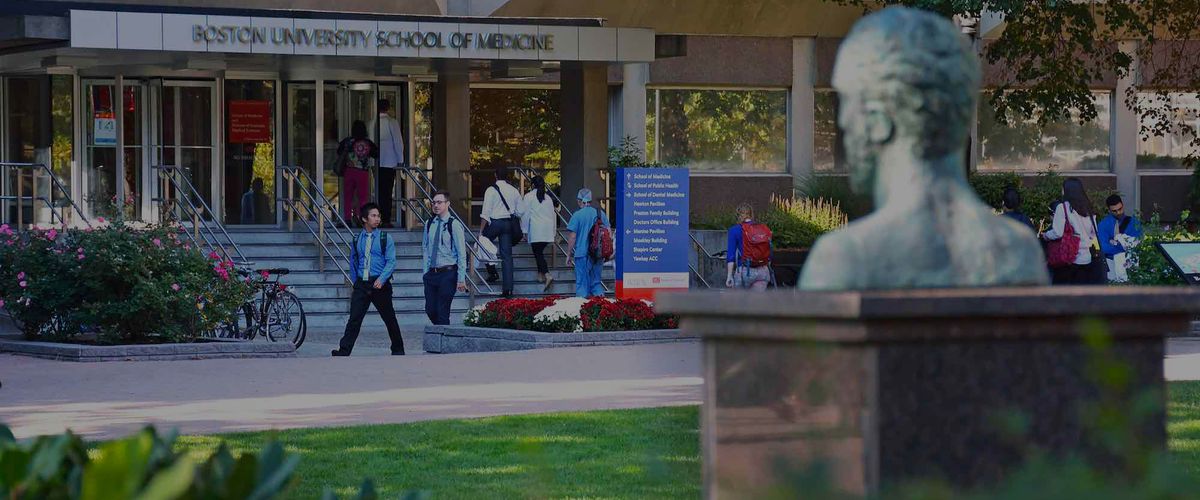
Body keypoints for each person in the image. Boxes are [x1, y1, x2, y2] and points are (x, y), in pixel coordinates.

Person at [797, 7, 1048, 290]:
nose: (842, 124)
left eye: (846, 105)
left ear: (880, 121)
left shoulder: (844, 260)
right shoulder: (1019, 252)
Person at [333, 202, 405, 356]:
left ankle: (398, 349)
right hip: (362, 283)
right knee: (354, 318)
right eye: (373, 216)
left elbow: (391, 261)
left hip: (380, 284)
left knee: (389, 318)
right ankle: (344, 350)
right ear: (364, 219)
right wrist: (355, 280)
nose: (377, 219)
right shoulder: (356, 239)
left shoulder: (386, 238)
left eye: (378, 216)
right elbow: (353, 260)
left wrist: (382, 278)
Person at [1041, 178, 1105, 285]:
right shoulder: (1088, 207)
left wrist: (1045, 235)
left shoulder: (1063, 208)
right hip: (1087, 258)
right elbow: (1093, 233)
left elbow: (1057, 232)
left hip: (1069, 259)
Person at [421, 190, 467, 325]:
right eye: (434, 202)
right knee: (430, 310)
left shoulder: (454, 224)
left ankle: (443, 341)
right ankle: (442, 334)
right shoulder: (429, 223)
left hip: (448, 273)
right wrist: (425, 271)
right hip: (431, 273)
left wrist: (461, 278)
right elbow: (425, 248)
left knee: (442, 311)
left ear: (447, 204)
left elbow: (461, 253)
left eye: (439, 202)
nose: (436, 205)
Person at [479, 165, 523, 298]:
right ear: (507, 176)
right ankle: (508, 289)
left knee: (482, 243)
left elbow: (486, 212)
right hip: (508, 224)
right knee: (507, 256)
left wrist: (481, 231)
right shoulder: (514, 190)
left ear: (495, 175)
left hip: (495, 223)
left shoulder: (491, 190)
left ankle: (492, 271)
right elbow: (521, 211)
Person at [566, 188, 610, 298]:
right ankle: (602, 310)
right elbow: (608, 232)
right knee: (596, 284)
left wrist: (569, 254)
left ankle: (583, 312)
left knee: (582, 285)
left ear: (580, 201)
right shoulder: (600, 214)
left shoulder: (577, 215)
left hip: (582, 255)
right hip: (598, 255)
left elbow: (572, 237)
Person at [372, 99, 405, 228]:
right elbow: (398, 141)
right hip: (389, 162)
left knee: (378, 191)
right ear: (388, 108)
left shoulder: (372, 122)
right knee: (387, 191)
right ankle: (385, 218)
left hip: (375, 163)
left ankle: (375, 218)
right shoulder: (392, 122)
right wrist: (400, 160)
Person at [336, 120, 377, 225]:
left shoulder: (348, 141)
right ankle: (361, 218)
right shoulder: (367, 143)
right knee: (363, 197)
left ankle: (348, 219)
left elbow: (339, 151)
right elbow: (376, 153)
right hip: (363, 172)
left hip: (349, 171)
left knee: (348, 196)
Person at [725, 202, 773, 291]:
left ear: (738, 215)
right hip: (763, 271)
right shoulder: (763, 228)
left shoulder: (734, 230)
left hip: (744, 271)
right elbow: (768, 252)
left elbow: (731, 256)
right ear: (751, 214)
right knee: (756, 304)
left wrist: (729, 276)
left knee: (741, 303)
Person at [522, 175, 558, 292]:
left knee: (538, 253)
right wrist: (553, 231)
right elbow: (553, 216)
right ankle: (540, 275)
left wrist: (524, 231)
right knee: (539, 252)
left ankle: (547, 274)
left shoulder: (528, 197)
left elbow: (525, 215)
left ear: (532, 185)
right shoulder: (548, 198)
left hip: (536, 230)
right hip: (547, 230)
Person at [1098, 194, 1143, 283]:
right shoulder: (1103, 225)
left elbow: (1138, 243)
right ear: (1109, 210)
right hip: (1110, 265)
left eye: (1120, 209)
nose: (1118, 213)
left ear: (1123, 205)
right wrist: (1124, 247)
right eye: (1114, 211)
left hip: (1131, 263)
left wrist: (1114, 243)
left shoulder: (1134, 223)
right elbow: (1104, 247)